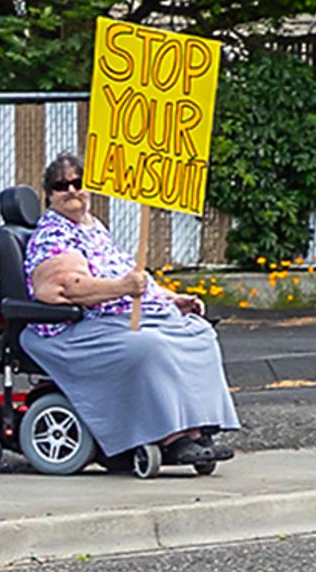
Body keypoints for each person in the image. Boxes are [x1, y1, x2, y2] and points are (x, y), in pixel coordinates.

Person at [21, 152, 239, 462]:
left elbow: (128, 272)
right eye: (61, 185)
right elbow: (66, 288)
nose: (71, 190)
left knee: (199, 333)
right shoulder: (53, 234)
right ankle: (170, 437)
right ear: (50, 195)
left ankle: (198, 430)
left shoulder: (93, 227)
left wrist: (171, 298)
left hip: (123, 314)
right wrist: (122, 288)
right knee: (151, 347)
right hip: (77, 326)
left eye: (78, 182)